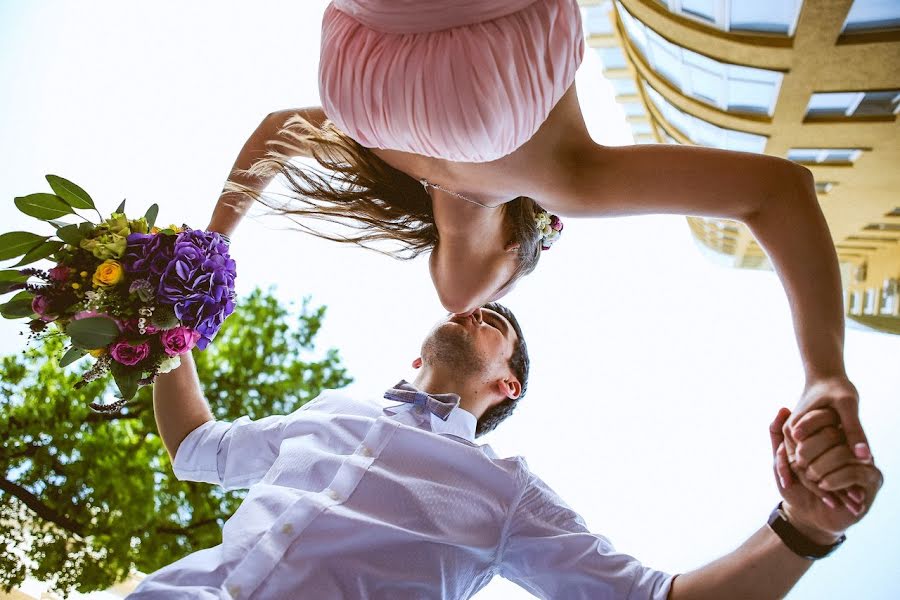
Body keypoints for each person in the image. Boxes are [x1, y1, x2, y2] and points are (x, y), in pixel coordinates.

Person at [206, 0, 872, 503]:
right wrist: (825, 370)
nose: (472, 307)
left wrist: (212, 250)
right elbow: (776, 194)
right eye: (501, 305)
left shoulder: (385, 146)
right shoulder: (566, 176)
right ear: (522, 247)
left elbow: (276, 134)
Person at [131, 303, 882, 598]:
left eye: (498, 319)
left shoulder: (507, 493)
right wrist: (166, 326)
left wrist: (804, 526)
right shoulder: (328, 411)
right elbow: (197, 446)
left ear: (509, 383)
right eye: (472, 305)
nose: (475, 307)